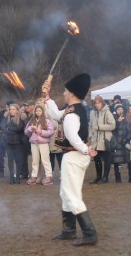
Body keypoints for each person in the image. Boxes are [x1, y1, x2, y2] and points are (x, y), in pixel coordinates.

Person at [42, 74, 99, 246]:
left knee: (71, 194)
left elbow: (72, 137)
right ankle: (69, 230)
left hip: (74, 156)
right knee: (66, 193)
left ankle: (90, 233)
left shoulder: (73, 113)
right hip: (74, 155)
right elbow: (56, 114)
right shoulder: (71, 109)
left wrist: (84, 148)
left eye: (66, 91)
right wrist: (47, 97)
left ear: (72, 93)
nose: (64, 93)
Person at [25, 104, 56, 185]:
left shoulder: (46, 121)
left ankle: (48, 176)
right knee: (34, 160)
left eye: (39, 111)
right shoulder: (32, 121)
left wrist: (41, 132)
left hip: (43, 143)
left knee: (45, 160)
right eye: (36, 111)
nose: (38, 112)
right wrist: (30, 129)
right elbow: (26, 132)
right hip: (34, 143)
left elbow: (51, 132)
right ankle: (34, 176)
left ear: (42, 112)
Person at [88, 96, 115, 184]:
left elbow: (113, 125)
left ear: (102, 103)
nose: (97, 105)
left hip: (105, 140)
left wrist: (100, 127)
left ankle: (105, 177)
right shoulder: (92, 113)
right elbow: (90, 125)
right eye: (95, 103)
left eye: (98, 103)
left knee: (107, 159)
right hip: (95, 140)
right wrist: (90, 136)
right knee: (96, 159)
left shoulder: (107, 112)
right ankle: (98, 177)